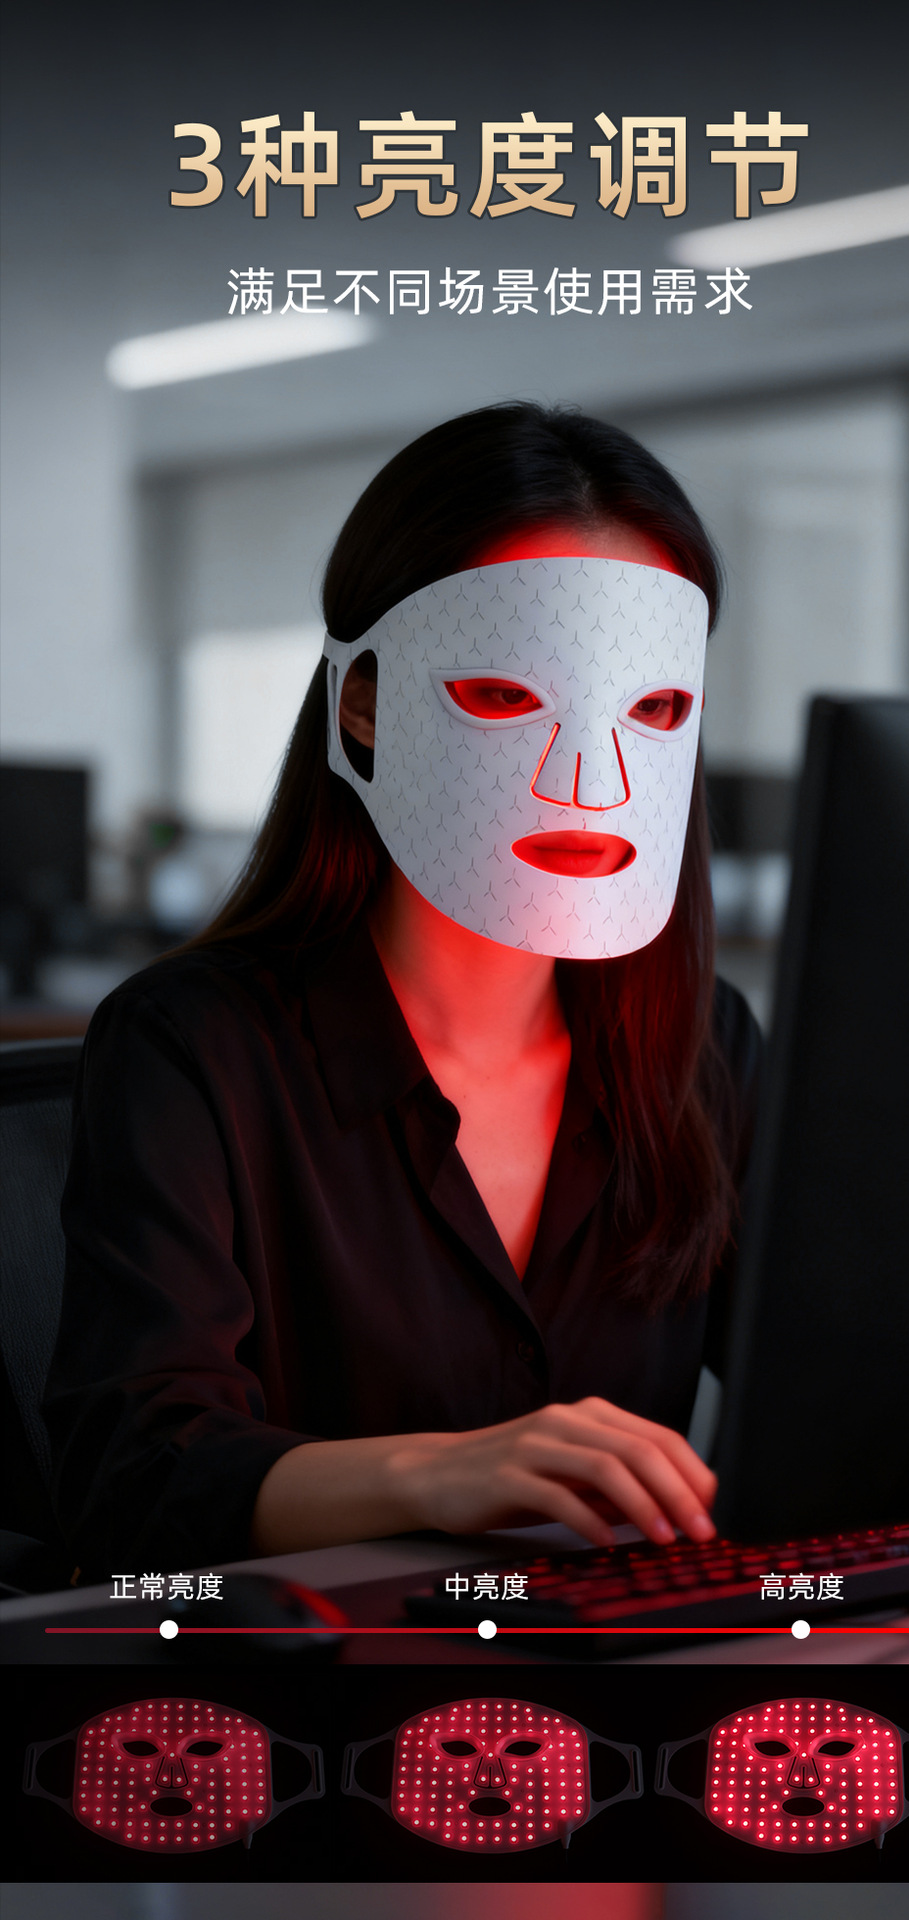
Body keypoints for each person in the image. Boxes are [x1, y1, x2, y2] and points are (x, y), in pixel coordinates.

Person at [45, 404, 761, 1577]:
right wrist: (430, 1475)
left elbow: (843, 1383)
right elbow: (130, 1480)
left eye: (654, 708)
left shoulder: (705, 1045)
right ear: (363, 699)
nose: (589, 778)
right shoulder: (194, 1049)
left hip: (631, 1658)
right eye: (503, 695)